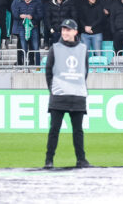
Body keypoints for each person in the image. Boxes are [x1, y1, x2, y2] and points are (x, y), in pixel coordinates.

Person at [44, 19, 91, 169]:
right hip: (59, 96)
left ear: (75, 32)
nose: (64, 32)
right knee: (54, 130)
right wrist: (54, 90)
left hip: (77, 96)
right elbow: (48, 71)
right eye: (63, 30)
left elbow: (85, 71)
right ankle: (49, 160)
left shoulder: (83, 49)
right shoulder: (55, 48)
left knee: (78, 131)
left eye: (68, 30)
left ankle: (81, 160)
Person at [12, 0, 44, 65]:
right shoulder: (20, 3)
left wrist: (32, 17)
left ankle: (37, 66)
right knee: (23, 48)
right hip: (22, 28)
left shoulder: (36, 3)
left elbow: (41, 15)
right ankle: (24, 65)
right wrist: (20, 16)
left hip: (34, 28)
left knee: (36, 47)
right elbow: (15, 13)